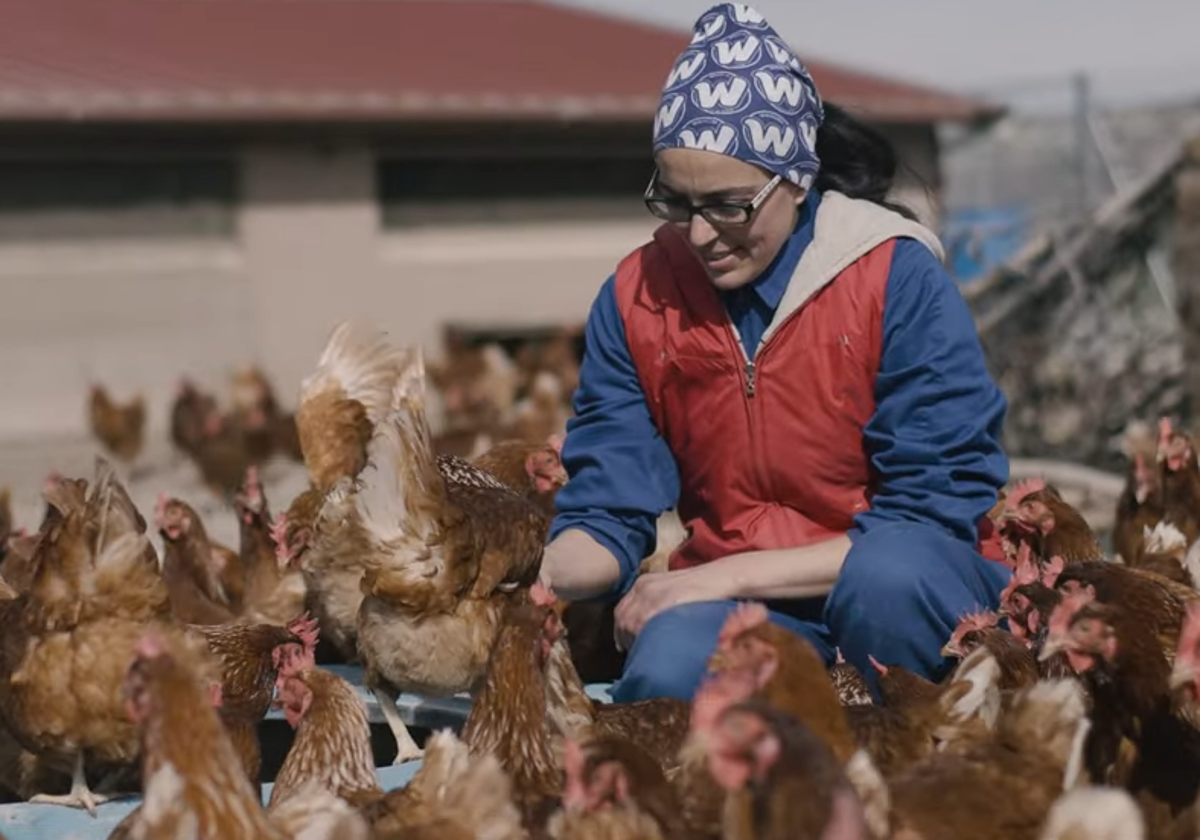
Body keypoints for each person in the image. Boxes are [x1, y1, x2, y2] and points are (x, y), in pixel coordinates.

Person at [538, 1, 1010, 703]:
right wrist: (526, 580)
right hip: (747, 602)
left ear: (795, 178)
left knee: (887, 585)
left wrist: (719, 576)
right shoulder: (639, 297)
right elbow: (607, 501)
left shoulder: (893, 277)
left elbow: (928, 514)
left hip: (902, 578)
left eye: (728, 205)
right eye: (676, 202)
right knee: (669, 672)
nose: (699, 235)